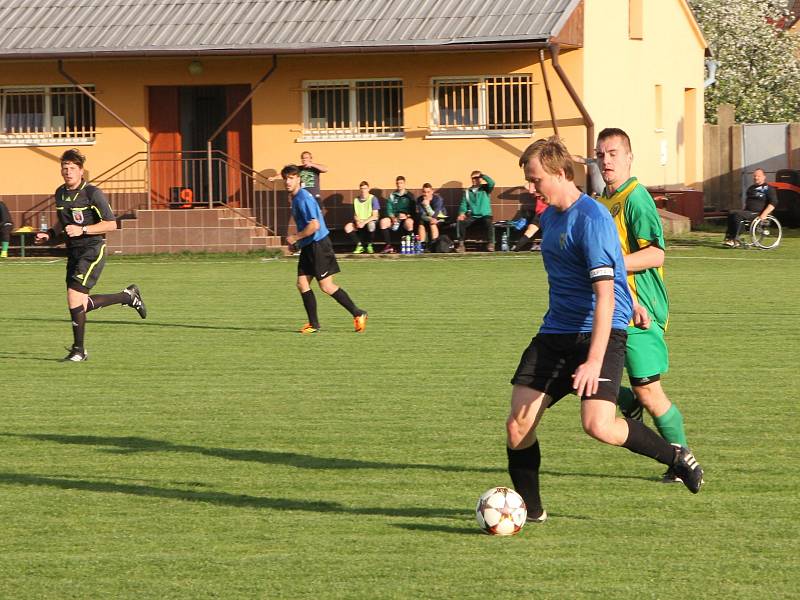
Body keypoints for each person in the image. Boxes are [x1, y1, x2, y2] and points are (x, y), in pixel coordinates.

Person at [506, 137, 703, 524]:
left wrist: (594, 359)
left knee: (598, 425)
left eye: (536, 180)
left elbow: (604, 294)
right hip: (554, 333)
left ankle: (676, 456)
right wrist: (636, 302)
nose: (532, 188)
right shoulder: (550, 216)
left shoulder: (592, 219)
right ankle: (531, 511)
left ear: (561, 174)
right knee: (518, 425)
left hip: (600, 332)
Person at [595, 128, 695, 483]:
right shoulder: (604, 200)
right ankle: (630, 402)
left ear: (629, 157)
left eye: (613, 153)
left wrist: (612, 265)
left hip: (641, 311)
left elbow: (655, 254)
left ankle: (684, 462)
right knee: (580, 369)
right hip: (616, 305)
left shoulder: (636, 198)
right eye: (601, 154)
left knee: (650, 391)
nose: (606, 160)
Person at [34, 149, 146, 361]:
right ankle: (128, 296)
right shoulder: (60, 193)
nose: (68, 172)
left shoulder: (92, 193)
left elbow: (111, 224)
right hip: (73, 251)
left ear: (81, 170)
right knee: (79, 304)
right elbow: (64, 221)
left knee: (74, 298)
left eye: (72, 168)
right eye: (64, 168)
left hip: (92, 249)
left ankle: (79, 351)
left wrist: (83, 229)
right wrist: (49, 234)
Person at [282, 164, 368, 334]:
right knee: (302, 283)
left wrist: (295, 237)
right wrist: (299, 244)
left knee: (326, 286)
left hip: (319, 245)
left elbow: (314, 225)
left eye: (291, 178)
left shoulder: (303, 198)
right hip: (309, 246)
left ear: (299, 179)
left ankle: (358, 313)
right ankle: (313, 324)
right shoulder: (296, 198)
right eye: (285, 178)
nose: (287, 181)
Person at [723, 168, 778, 247]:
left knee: (737, 214)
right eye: (755, 176)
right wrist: (743, 211)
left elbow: (774, 203)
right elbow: (748, 203)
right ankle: (730, 238)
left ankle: (734, 239)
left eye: (758, 176)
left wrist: (764, 214)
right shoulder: (751, 188)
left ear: (764, 177)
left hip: (758, 214)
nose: (756, 178)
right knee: (731, 213)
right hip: (748, 212)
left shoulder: (768, 188)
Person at [456, 170, 495, 252]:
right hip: (473, 216)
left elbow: (492, 183)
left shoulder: (485, 188)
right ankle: (461, 245)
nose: (474, 180)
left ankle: (491, 244)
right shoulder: (467, 192)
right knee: (461, 222)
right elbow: (463, 205)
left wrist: (482, 175)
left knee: (489, 222)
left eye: (476, 178)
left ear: (480, 178)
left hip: (485, 215)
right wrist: (462, 213)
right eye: (473, 178)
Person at [378, 175, 415, 254]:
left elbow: (413, 210)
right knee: (383, 222)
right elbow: (389, 208)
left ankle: (410, 246)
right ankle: (388, 246)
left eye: (401, 183)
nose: (399, 185)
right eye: (397, 183)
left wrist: (406, 216)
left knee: (409, 222)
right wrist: (392, 218)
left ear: (404, 184)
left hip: (405, 219)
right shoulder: (392, 195)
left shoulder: (410, 195)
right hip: (394, 219)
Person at [344, 181, 380, 254]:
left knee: (371, 225)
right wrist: (357, 221)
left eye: (365, 188)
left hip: (369, 220)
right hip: (360, 221)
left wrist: (363, 222)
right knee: (348, 227)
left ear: (368, 189)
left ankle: (370, 245)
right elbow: (355, 215)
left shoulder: (373, 198)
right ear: (360, 189)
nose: (363, 190)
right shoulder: (356, 199)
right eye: (362, 188)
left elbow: (375, 216)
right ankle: (360, 245)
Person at [510, 187, 547, 252]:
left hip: (540, 215)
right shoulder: (549, 193)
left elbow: (529, 188)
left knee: (529, 232)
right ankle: (517, 247)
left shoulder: (540, 191)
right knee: (547, 232)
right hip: (545, 215)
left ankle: (517, 248)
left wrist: (516, 188)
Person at [415, 183, 447, 251]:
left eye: (428, 192)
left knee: (432, 223)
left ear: (432, 191)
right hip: (428, 218)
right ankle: (422, 245)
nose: (426, 194)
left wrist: (427, 205)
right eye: (424, 192)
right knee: (421, 223)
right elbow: (421, 214)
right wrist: (430, 219)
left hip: (441, 218)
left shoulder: (438, 199)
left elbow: (435, 214)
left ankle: (434, 244)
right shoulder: (419, 200)